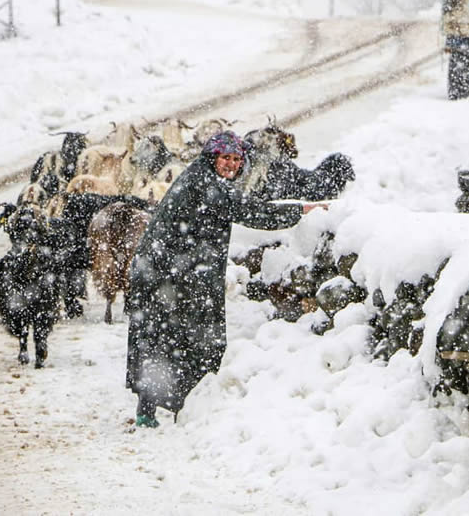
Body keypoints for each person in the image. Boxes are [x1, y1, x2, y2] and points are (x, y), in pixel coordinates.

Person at [125, 130, 326, 428]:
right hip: (170, 274)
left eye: (236, 159)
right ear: (212, 157)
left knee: (163, 336)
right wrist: (301, 210)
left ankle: (161, 406)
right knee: (188, 337)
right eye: (225, 158)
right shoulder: (207, 184)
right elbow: (252, 212)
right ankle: (186, 406)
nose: (231, 164)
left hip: (170, 271)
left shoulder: (200, 177)